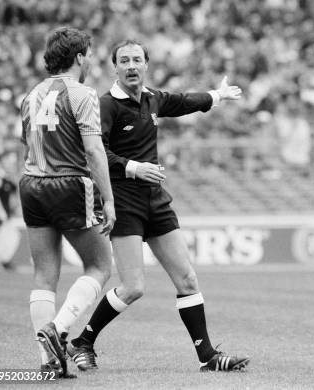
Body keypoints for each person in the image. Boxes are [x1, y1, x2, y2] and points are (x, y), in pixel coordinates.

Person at [68, 39, 249, 372]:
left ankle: (207, 357)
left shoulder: (151, 98)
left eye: (137, 59)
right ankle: (83, 342)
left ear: (147, 64)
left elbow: (183, 101)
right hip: (124, 202)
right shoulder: (105, 106)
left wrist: (218, 95)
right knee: (134, 287)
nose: (132, 65)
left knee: (188, 280)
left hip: (156, 200)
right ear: (115, 67)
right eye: (125, 60)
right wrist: (134, 167)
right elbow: (94, 153)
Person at [19, 27, 115, 377]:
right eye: (88, 54)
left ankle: (48, 365)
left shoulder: (30, 94)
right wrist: (109, 199)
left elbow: (26, 143)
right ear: (78, 57)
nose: (89, 60)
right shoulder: (82, 93)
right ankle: (57, 331)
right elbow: (93, 149)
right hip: (69, 184)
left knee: (44, 276)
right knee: (101, 266)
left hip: (31, 184)